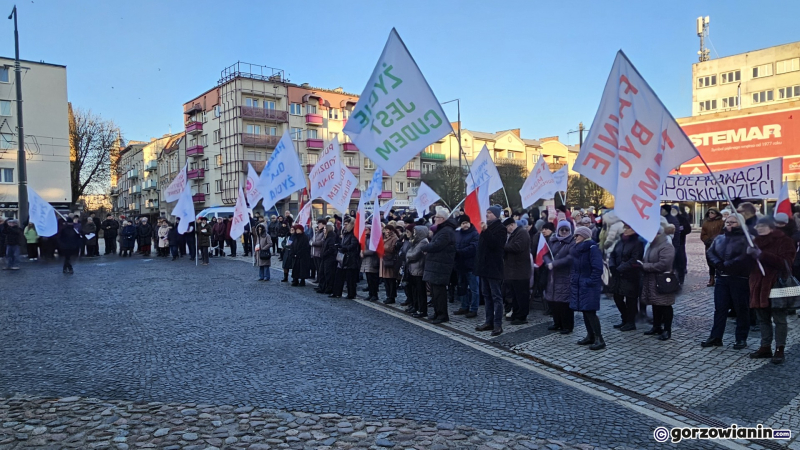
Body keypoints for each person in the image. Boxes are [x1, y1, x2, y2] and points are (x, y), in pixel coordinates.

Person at [747, 216, 796, 364]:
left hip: (776, 283)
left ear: (771, 227)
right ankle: (765, 346)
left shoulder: (785, 241)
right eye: (758, 226)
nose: (759, 228)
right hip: (758, 284)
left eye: (762, 226)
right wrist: (748, 255)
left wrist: (762, 255)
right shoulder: (755, 242)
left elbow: (786, 263)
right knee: (763, 318)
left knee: (779, 318)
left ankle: (780, 349)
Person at [702, 214, 753, 349]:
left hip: (739, 278)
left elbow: (745, 256)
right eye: (728, 222)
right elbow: (710, 253)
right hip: (722, 278)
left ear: (740, 224)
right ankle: (716, 336)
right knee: (720, 308)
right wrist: (719, 264)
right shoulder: (719, 238)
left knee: (741, 309)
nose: (729, 224)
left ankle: (741, 338)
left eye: (733, 222)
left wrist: (729, 264)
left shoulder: (747, 239)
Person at [570, 226, 606, 350]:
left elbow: (597, 268)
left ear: (584, 236)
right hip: (581, 283)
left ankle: (599, 339)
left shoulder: (592, 248)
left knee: (590, 311)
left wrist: (589, 282)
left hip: (589, 285)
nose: (575, 238)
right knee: (585, 311)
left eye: (577, 235)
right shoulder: (577, 249)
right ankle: (590, 336)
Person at [475, 206, 508, 336]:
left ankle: (498, 324)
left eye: (489, 212)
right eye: (486, 212)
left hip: (494, 267)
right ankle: (489, 321)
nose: (487, 214)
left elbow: (495, 244)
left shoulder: (501, 228)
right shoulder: (486, 228)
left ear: (495, 214)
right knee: (487, 296)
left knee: (496, 297)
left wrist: (486, 231)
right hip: (484, 267)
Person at [640, 226, 677, 341]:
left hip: (662, 279)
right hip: (651, 279)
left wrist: (645, 266)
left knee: (665, 304)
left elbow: (664, 264)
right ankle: (656, 327)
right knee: (655, 303)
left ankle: (667, 329)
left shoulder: (666, 246)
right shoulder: (652, 245)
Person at [421, 208, 456, 324]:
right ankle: (437, 312)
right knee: (434, 291)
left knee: (439, 292)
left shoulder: (446, 231)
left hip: (441, 265)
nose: (434, 219)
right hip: (436, 264)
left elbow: (437, 245)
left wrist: (425, 247)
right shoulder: (441, 230)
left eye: (436, 217)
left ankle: (442, 315)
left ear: (442, 219)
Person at [608, 223, 644, 331]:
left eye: (627, 227)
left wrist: (620, 268)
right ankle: (625, 318)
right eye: (625, 227)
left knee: (630, 300)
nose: (625, 229)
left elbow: (635, 259)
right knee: (617, 297)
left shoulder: (637, 243)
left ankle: (630, 322)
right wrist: (612, 266)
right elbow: (613, 254)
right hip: (618, 275)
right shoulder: (620, 241)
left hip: (630, 275)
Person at [543, 221, 576, 334]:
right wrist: (548, 263)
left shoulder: (572, 242)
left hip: (565, 275)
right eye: (562, 230)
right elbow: (545, 253)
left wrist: (555, 263)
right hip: (552, 275)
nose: (564, 232)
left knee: (564, 303)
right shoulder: (552, 240)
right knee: (553, 301)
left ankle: (567, 326)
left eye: (566, 230)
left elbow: (570, 257)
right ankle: (557, 322)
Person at [504, 217, 532, 325]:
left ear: (511, 225)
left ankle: (522, 316)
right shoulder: (515, 234)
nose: (507, 230)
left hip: (521, 271)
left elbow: (517, 247)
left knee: (522, 296)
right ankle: (516, 314)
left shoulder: (522, 233)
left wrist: (503, 246)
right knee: (515, 296)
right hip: (514, 271)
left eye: (507, 227)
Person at [453, 215, 479, 318]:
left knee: (474, 289)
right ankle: (464, 306)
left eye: (466, 223)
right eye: (463, 223)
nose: (465, 225)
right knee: (462, 287)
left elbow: (473, 248)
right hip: (460, 265)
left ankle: (474, 309)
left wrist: (459, 252)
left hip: (471, 265)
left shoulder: (474, 234)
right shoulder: (457, 234)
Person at [331, 219, 360, 299]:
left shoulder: (353, 234)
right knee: (339, 276)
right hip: (343, 257)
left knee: (350, 278)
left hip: (350, 258)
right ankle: (337, 292)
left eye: (347, 224)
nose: (345, 226)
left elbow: (353, 246)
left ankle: (351, 294)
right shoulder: (345, 234)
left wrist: (343, 247)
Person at [406, 224, 430, 318]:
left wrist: (408, 255)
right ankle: (416, 306)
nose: (414, 234)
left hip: (419, 269)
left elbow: (414, 254)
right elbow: (408, 251)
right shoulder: (415, 241)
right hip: (413, 269)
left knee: (421, 291)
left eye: (415, 232)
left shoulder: (423, 242)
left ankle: (422, 309)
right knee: (415, 290)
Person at [700, 208, 724, 287]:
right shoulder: (706, 223)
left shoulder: (721, 222)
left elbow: (723, 232)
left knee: (719, 262)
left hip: (719, 245)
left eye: (712, 213)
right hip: (709, 246)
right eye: (709, 213)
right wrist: (707, 240)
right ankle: (711, 278)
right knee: (710, 262)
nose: (711, 214)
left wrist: (717, 239)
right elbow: (703, 234)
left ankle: (719, 277)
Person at [378, 224, 400, 304]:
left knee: (391, 280)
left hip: (390, 261)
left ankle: (391, 296)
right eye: (385, 230)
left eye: (387, 230)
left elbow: (392, 249)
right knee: (386, 280)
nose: (386, 232)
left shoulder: (394, 238)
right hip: (385, 260)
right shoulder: (385, 238)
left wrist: (382, 247)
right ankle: (388, 295)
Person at [361, 225, 380, 301]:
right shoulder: (366, 238)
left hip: (373, 261)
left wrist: (364, 252)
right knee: (369, 280)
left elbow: (373, 250)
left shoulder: (374, 239)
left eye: (366, 229)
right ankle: (370, 294)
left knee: (373, 280)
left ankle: (374, 294)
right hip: (366, 261)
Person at [317, 223, 338, 294]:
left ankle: (329, 288)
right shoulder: (326, 238)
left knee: (328, 274)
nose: (324, 230)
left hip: (329, 258)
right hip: (324, 258)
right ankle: (322, 287)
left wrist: (324, 253)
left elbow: (331, 249)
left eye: (325, 229)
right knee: (321, 273)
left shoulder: (331, 238)